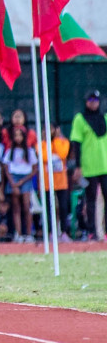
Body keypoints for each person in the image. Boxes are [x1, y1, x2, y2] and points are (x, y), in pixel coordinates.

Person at [69, 90, 107, 241]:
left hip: (105, 164)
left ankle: (104, 231)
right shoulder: (80, 119)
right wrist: (78, 166)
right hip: (89, 166)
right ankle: (91, 231)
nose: (93, 103)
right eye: (90, 100)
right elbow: (76, 143)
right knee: (90, 199)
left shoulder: (104, 117)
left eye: (96, 100)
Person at [1, 123, 37, 242]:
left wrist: (22, 181)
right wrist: (13, 182)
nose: (18, 138)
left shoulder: (30, 151)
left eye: (20, 135)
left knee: (27, 206)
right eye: (15, 135)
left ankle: (28, 233)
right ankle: (19, 233)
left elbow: (34, 168)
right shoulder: (10, 151)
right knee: (16, 207)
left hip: (25, 178)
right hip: (14, 178)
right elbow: (6, 167)